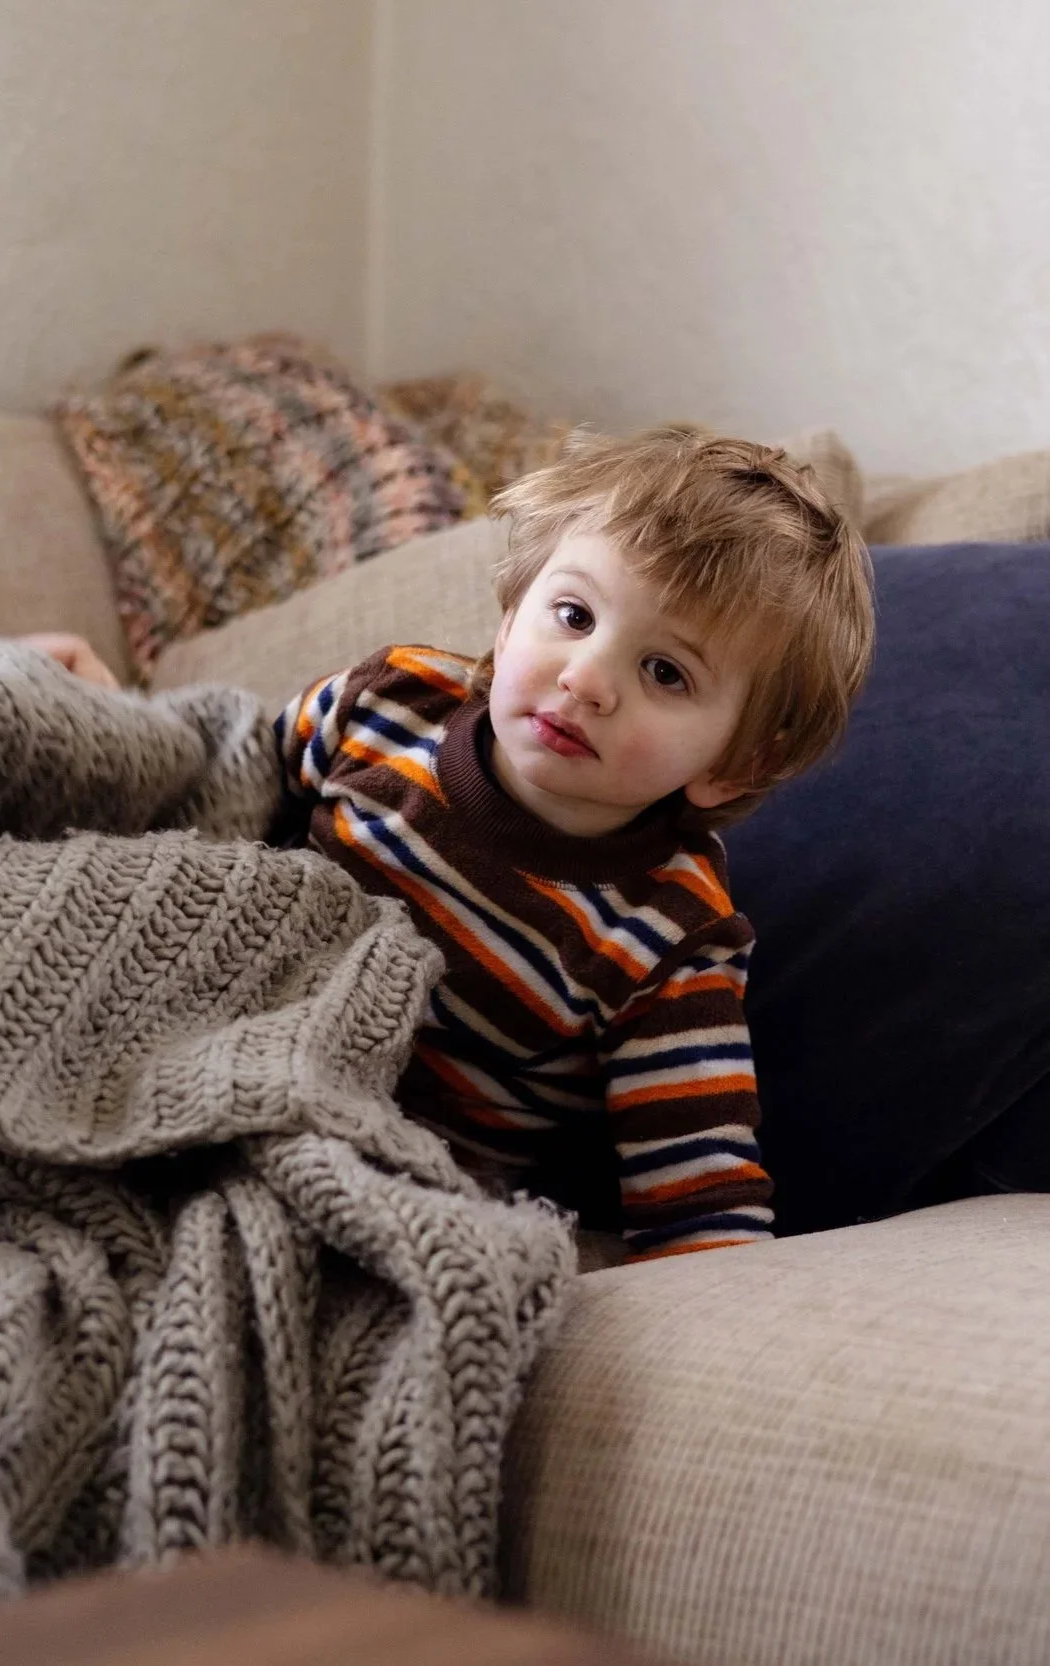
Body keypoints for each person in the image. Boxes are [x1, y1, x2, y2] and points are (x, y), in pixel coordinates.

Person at [273, 426, 875, 1259]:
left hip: (402, 1178)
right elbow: (216, 786)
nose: (586, 679)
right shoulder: (390, 700)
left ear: (733, 767)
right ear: (512, 609)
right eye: (573, 615)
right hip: (240, 1037)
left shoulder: (665, 936)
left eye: (665, 672)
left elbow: (698, 1202)